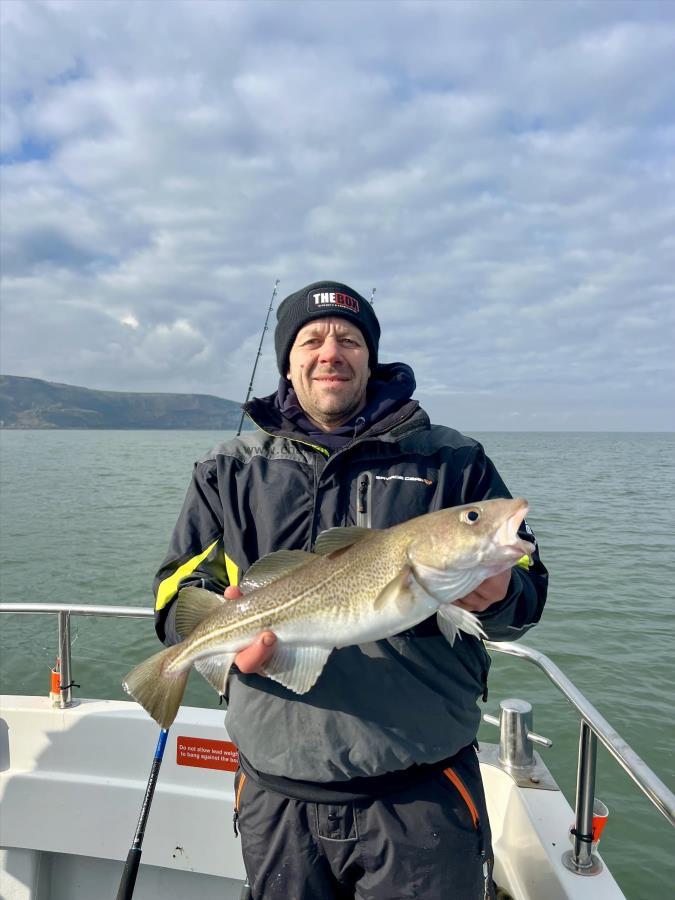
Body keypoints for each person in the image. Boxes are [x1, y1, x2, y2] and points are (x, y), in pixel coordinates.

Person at [153, 280, 548, 900]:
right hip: (276, 789)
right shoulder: (227, 467)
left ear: (371, 358)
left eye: (349, 339)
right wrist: (209, 635)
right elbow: (179, 586)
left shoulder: (452, 461)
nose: (330, 351)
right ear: (289, 361)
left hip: (422, 790)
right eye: (311, 339)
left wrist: (497, 596)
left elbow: (530, 596)